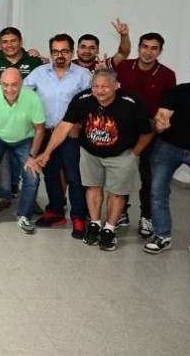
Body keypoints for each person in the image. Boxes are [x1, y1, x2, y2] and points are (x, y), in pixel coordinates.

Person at [36, 68, 153, 251]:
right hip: (91, 153)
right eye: (95, 86)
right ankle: (95, 224)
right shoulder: (83, 99)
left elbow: (147, 132)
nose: (99, 90)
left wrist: (134, 154)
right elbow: (64, 126)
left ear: (116, 85)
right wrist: (47, 152)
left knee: (116, 192)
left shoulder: (131, 103)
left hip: (121, 154)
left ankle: (109, 229)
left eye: (105, 86)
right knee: (92, 188)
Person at [23, 34, 92, 238]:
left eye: (64, 51)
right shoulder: (40, 72)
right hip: (46, 132)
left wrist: (79, 123)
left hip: (71, 134)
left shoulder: (83, 74)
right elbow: (22, 92)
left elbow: (92, 102)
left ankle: (79, 218)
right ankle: (56, 211)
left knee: (74, 176)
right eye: (55, 51)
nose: (59, 55)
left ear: (72, 52)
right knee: (50, 173)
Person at [144, 54, 190, 264]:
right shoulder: (178, 93)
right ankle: (162, 236)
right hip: (168, 147)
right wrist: (159, 124)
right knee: (158, 190)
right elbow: (160, 117)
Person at [113, 32, 176, 238]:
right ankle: (121, 212)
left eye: (153, 48)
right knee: (122, 173)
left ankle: (146, 217)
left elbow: (168, 106)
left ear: (160, 51)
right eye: (145, 47)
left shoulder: (167, 75)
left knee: (148, 178)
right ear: (139, 47)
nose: (148, 52)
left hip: (152, 135)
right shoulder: (123, 68)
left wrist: (157, 126)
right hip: (123, 132)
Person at [0, 68, 46, 233]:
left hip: (24, 138)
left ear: (21, 84)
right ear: (0, 84)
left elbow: (40, 129)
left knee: (32, 174)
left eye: (14, 85)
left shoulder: (32, 98)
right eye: (5, 85)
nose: (10, 89)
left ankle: (24, 215)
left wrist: (32, 156)